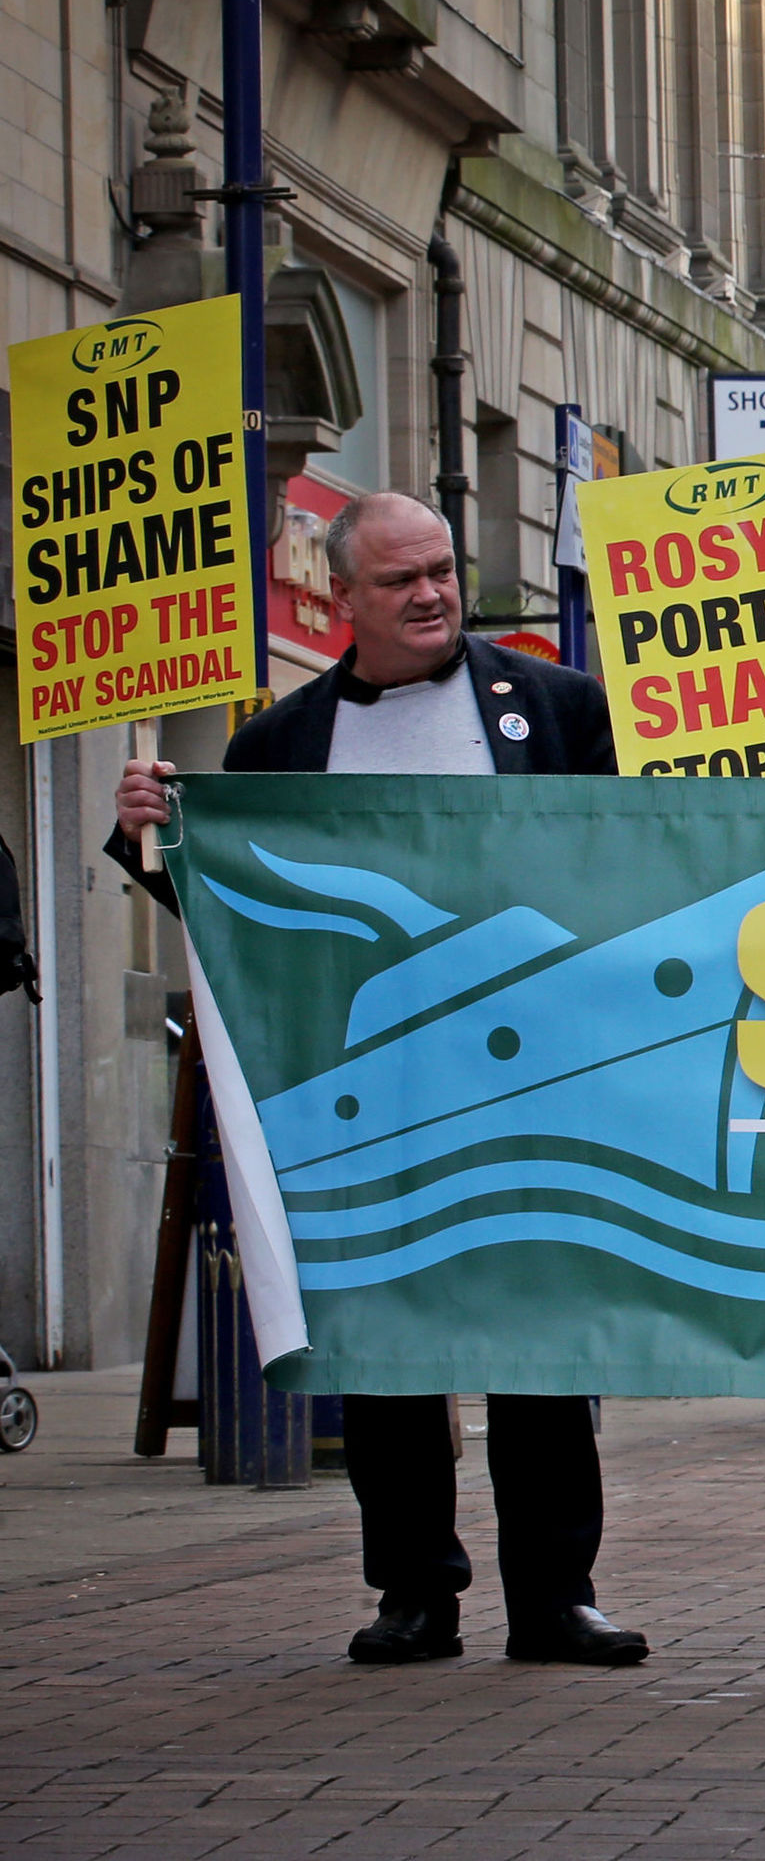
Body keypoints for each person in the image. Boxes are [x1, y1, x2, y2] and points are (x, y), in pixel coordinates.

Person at [109, 492, 641, 1668]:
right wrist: (153, 838)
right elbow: (239, 928)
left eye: (442, 569)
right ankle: (415, 1592)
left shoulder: (557, 709)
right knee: (387, 1346)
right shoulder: (279, 744)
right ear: (341, 597)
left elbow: (628, 864)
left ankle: (557, 1595)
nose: (433, 593)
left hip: (535, 1080)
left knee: (540, 1347)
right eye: (400, 580)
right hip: (368, 1084)